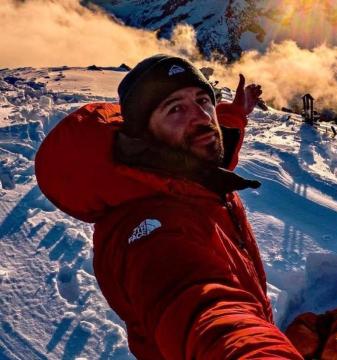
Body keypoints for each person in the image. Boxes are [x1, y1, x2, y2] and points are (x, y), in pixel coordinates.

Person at [35, 54, 303, 359]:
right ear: (144, 136)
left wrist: (237, 114)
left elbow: (213, 157)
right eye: (175, 108)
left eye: (204, 100)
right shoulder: (148, 231)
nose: (202, 117)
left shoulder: (186, 168)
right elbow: (202, 311)